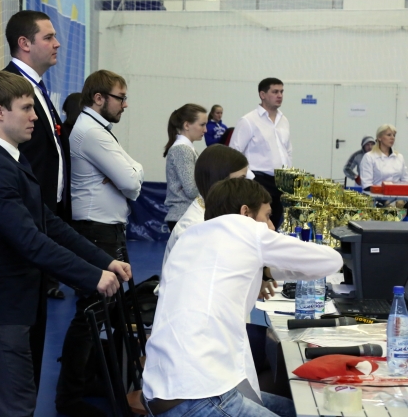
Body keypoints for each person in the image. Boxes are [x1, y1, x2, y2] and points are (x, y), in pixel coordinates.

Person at [0, 71, 131, 417]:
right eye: (26, 108)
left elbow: (49, 223)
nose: (34, 116)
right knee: (16, 403)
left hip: (11, 303)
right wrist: (92, 276)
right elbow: (30, 241)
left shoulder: (12, 159)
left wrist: (103, 261)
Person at [143, 177, 342, 417]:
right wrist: (267, 265)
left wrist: (265, 269)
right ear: (245, 212)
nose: (271, 227)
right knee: (316, 410)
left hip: (165, 392)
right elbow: (331, 261)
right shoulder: (246, 229)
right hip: (200, 395)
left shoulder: (190, 236)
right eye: (267, 216)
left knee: (298, 410)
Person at [56, 69, 143, 417]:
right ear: (98, 98)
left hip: (105, 230)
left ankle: (89, 380)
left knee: (104, 312)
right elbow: (132, 183)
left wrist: (128, 173)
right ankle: (69, 397)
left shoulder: (99, 130)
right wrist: (127, 175)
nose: (125, 104)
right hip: (96, 231)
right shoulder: (92, 132)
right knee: (91, 314)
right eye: (121, 98)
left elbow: (133, 173)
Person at [4, 10, 68, 302]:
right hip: (25, 219)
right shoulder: (7, 86)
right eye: (49, 37)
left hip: (44, 215)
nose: (57, 43)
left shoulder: (37, 88)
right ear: (25, 43)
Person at [230, 77, 291, 229]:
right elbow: (233, 153)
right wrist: (251, 178)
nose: (280, 95)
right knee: (259, 226)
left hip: (282, 182)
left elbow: (287, 151)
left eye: (281, 92)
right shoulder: (248, 120)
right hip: (259, 180)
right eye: (275, 92)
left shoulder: (284, 120)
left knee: (276, 225)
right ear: (262, 95)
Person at [163, 104, 207, 232]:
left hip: (186, 215)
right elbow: (191, 190)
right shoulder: (182, 149)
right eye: (202, 125)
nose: (205, 130)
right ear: (187, 125)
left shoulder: (187, 149)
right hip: (183, 216)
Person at [360, 124, 408, 191]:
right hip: (376, 196)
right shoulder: (369, 157)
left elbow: (405, 180)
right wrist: (387, 192)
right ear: (379, 138)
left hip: (398, 195)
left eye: (394, 135)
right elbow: (366, 185)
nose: (392, 138)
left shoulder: (399, 157)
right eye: (389, 135)